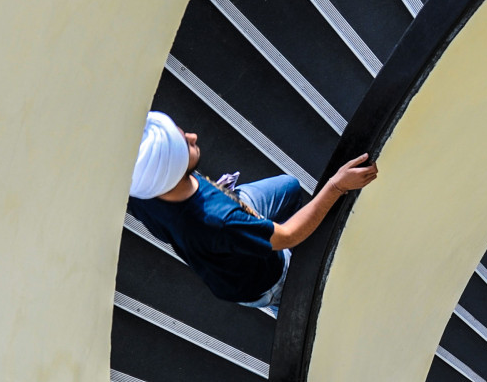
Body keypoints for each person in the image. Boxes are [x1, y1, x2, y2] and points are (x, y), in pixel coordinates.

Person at [127, 111, 378, 312]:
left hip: (230, 210)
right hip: (264, 279)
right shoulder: (219, 221)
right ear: (173, 170)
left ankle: (268, 236)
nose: (193, 136)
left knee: (289, 187)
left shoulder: (143, 188)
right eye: (185, 145)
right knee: (299, 298)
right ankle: (285, 306)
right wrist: (336, 186)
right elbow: (289, 236)